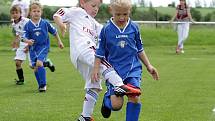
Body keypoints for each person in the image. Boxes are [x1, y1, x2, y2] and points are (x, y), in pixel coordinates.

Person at [53, 0, 141, 120]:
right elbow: (58, 14)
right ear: (83, 2)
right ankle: (119, 84)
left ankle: (85, 116)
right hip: (84, 48)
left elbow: (108, 35)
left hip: (80, 57)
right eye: (93, 5)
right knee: (104, 63)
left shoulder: (95, 24)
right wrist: (61, 24)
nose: (95, 9)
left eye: (98, 7)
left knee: (94, 84)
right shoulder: (77, 11)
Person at [91, 0, 159, 120]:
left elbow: (139, 49)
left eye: (125, 14)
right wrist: (96, 68)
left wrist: (149, 66)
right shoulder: (106, 29)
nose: (122, 17)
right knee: (116, 105)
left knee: (134, 97)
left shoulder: (134, 28)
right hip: (114, 70)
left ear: (129, 12)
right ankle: (107, 99)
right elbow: (100, 51)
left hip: (133, 68)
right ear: (111, 11)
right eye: (118, 14)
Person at [23, 1, 64, 92]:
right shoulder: (27, 25)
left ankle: (43, 85)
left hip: (44, 46)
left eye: (38, 11)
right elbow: (23, 37)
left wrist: (59, 42)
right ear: (30, 12)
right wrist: (27, 42)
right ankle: (40, 84)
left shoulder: (45, 23)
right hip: (33, 49)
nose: (36, 13)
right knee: (35, 68)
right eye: (34, 11)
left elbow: (54, 32)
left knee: (39, 63)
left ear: (41, 12)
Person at [10, 5, 56, 85]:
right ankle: (21, 80)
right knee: (17, 62)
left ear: (21, 13)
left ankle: (46, 64)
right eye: (13, 13)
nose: (15, 15)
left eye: (16, 13)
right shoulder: (13, 23)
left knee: (34, 66)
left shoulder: (27, 21)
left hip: (32, 43)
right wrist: (15, 41)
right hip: (23, 42)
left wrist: (28, 46)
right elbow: (18, 34)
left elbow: (32, 33)